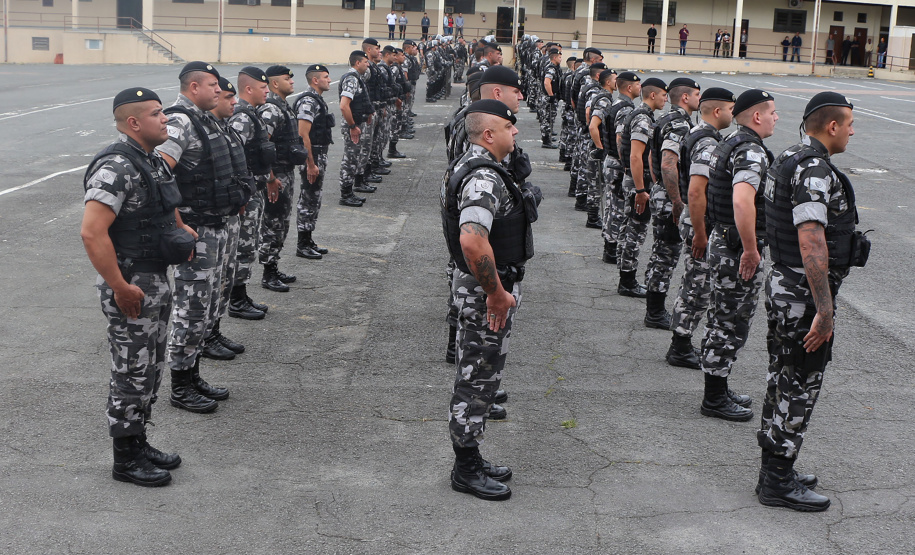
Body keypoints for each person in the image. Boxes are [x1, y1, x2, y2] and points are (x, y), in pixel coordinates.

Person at [757, 91, 867, 512]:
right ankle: (778, 481)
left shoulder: (789, 156)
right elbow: (811, 238)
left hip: (786, 285)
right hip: (802, 293)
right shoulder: (813, 169)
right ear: (832, 126)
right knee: (800, 381)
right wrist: (824, 308)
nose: (854, 131)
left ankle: (775, 470)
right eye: (850, 124)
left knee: (783, 376)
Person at [82, 86, 194, 486]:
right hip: (131, 282)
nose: (166, 119)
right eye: (157, 114)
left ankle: (139, 439)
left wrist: (182, 232)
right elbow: (92, 233)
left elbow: (166, 204)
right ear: (134, 122)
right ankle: (125, 459)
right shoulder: (116, 166)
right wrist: (119, 286)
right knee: (131, 370)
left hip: (154, 278)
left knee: (150, 367)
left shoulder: (151, 161)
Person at [442, 99, 537, 501]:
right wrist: (496, 292)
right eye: (508, 127)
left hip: (485, 288)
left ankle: (472, 456)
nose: (515, 132)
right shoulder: (483, 178)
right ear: (488, 134)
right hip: (485, 292)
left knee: (481, 374)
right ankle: (465, 468)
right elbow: (472, 238)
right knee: (477, 377)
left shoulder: (478, 166)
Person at [157, 62, 242, 414]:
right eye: (212, 85)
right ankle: (180, 385)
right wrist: (177, 222)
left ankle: (192, 375)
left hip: (216, 225)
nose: (219, 91)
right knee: (191, 309)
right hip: (198, 230)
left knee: (206, 305)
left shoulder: (205, 120)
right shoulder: (181, 121)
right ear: (193, 87)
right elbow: (159, 170)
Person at [699, 89, 778, 422]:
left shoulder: (729, 142)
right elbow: (743, 201)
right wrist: (750, 249)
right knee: (730, 323)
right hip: (736, 248)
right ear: (757, 116)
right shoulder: (749, 151)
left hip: (723, 240)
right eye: (772, 112)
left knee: (722, 317)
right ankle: (714, 398)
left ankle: (719, 386)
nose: (776, 117)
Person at [666, 87, 735, 369]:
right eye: (731, 109)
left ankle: (681, 343)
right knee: (698, 285)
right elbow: (696, 192)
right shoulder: (707, 142)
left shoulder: (700, 135)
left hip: (698, 221)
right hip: (700, 222)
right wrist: (701, 232)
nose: (733, 114)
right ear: (717, 111)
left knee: (695, 282)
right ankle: (680, 346)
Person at [644, 78, 701, 330]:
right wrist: (676, 200)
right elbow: (668, 162)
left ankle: (654, 308)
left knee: (661, 253)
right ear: (685, 98)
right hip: (670, 198)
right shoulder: (679, 123)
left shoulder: (665, 119)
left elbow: (650, 156)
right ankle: (654, 312)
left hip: (662, 192)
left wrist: (657, 183)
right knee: (666, 256)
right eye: (697, 94)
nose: (700, 99)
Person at [228, 66, 273, 321]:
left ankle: (241, 294)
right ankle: (236, 299)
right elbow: (236, 156)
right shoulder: (243, 117)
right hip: (247, 191)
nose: (267, 90)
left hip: (254, 188)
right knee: (243, 244)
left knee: (249, 243)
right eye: (262, 87)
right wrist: (242, 193)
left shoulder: (251, 114)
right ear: (248, 89)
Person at [258, 65, 307, 293]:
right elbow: (263, 145)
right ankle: (268, 273)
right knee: (273, 222)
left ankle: (274, 265)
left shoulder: (283, 106)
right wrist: (269, 178)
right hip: (276, 175)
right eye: (288, 79)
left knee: (282, 222)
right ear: (275, 83)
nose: (292, 82)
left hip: (285, 173)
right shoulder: (271, 109)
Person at [617, 77, 667, 297]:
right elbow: (636, 156)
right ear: (653, 95)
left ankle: (626, 277)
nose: (666, 99)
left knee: (630, 229)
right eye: (664, 95)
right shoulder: (643, 119)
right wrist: (640, 189)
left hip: (635, 180)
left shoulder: (638, 114)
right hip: (640, 184)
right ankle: (627, 281)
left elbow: (621, 146)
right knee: (635, 233)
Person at [293, 64, 335, 260]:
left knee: (314, 198)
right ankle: (302, 243)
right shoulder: (309, 101)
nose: (329, 80)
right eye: (325, 77)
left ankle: (308, 239)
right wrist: (310, 163)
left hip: (318, 153)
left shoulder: (316, 100)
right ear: (315, 80)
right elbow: (303, 134)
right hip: (312, 154)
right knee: (308, 198)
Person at [600, 71, 641, 265]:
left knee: (612, 205)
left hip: (610, 161)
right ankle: (611, 249)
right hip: (617, 163)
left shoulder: (615, 104)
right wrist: (627, 165)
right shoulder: (625, 108)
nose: (640, 89)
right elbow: (619, 138)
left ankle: (609, 247)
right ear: (629, 87)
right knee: (618, 208)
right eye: (638, 85)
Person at [338, 50, 374, 207]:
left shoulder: (358, 78)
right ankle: (345, 194)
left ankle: (351, 189)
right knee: (350, 160)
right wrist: (352, 126)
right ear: (357, 63)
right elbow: (344, 105)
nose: (368, 64)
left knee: (355, 158)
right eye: (365, 62)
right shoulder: (351, 79)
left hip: (358, 123)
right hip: (353, 125)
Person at [538, 48, 562, 149]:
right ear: (555, 58)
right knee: (547, 119)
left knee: (549, 118)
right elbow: (547, 82)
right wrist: (551, 95)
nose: (561, 59)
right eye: (560, 57)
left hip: (549, 96)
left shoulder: (554, 67)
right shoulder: (551, 68)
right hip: (548, 97)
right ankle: (546, 140)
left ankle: (548, 137)